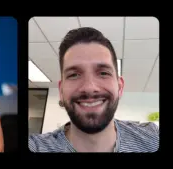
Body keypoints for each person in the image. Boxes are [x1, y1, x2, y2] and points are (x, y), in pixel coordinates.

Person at [28, 27, 159, 152]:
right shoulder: (35, 146)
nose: (89, 87)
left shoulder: (153, 137)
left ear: (120, 87)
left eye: (103, 73)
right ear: (61, 91)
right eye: (74, 75)